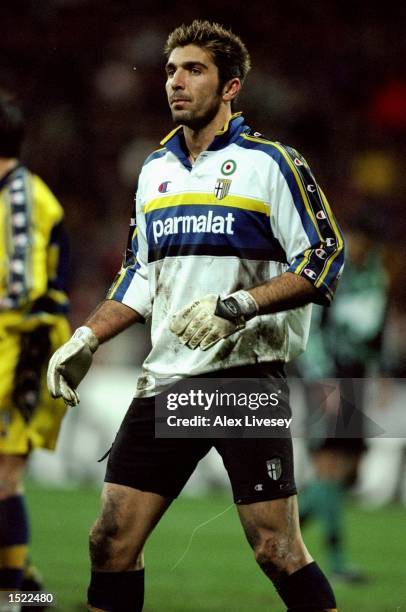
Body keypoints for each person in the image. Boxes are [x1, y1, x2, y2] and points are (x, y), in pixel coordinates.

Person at [47, 20, 344, 612]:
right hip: (170, 380)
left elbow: (324, 257)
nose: (176, 82)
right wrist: (88, 335)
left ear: (231, 86)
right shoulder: (153, 170)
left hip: (242, 379)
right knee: (109, 541)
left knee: (275, 550)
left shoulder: (272, 163)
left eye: (194, 70)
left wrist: (237, 306)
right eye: (170, 70)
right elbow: (139, 276)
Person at [0, 91, 71, 611]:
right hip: (12, 346)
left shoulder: (21, 198)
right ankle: (29, 590)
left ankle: (13, 595)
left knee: (5, 475)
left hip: (22, 349)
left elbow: (21, 290)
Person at [297, 219, 390, 582]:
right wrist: (323, 382)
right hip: (327, 379)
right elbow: (311, 329)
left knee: (349, 469)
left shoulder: (375, 276)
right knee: (329, 466)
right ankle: (337, 562)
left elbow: (377, 332)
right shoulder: (332, 274)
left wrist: (379, 372)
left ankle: (287, 524)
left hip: (356, 379)